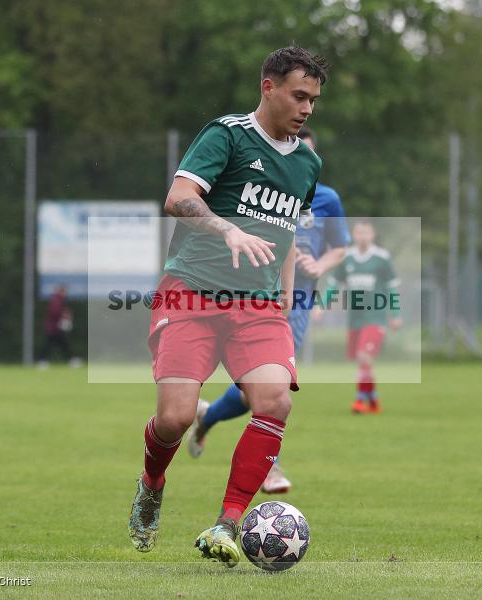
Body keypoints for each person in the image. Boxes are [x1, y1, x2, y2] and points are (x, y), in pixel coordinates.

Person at [127, 46, 328, 567]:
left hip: (257, 306)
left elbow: (285, 234)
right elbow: (177, 197)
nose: (306, 108)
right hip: (190, 292)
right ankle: (152, 483)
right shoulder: (228, 135)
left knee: (275, 400)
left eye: (313, 100)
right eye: (298, 95)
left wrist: (284, 299)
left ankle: (228, 522)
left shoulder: (307, 164)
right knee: (172, 420)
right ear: (268, 86)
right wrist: (227, 227)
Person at [187, 126, 350, 495]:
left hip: (297, 302)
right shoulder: (260, 190)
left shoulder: (327, 200)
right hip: (253, 295)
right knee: (265, 391)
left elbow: (339, 247)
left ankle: (207, 417)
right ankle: (269, 467)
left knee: (262, 391)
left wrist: (319, 267)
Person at [326, 220, 402, 414]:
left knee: (364, 356)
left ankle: (360, 401)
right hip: (355, 320)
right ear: (353, 235)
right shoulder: (347, 258)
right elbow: (334, 283)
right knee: (362, 361)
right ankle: (373, 399)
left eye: (366, 233)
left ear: (373, 234)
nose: (362, 236)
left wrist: (395, 314)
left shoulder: (381, 258)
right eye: (359, 233)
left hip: (375, 317)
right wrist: (322, 305)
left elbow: (393, 287)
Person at [38, 285, 77, 366]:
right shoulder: (57, 299)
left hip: (56, 327)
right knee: (49, 344)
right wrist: (64, 315)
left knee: (63, 344)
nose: (66, 294)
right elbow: (54, 312)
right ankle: (42, 361)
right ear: (61, 291)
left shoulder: (59, 299)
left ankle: (71, 359)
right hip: (53, 327)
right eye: (65, 291)